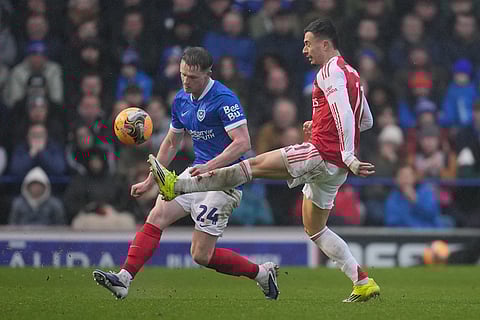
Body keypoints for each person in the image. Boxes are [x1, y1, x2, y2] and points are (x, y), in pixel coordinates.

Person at [151, 19, 380, 302]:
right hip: (336, 169)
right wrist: (322, 125)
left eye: (308, 43)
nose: (304, 49)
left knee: (251, 167)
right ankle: (362, 281)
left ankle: (179, 186)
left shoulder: (329, 70)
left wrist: (348, 154)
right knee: (316, 228)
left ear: (325, 43)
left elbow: (345, 111)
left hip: (322, 155)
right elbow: (365, 120)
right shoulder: (352, 73)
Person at [93, 47, 279, 300]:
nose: (186, 81)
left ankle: (260, 273)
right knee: (156, 215)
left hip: (224, 180)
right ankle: (124, 278)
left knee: (201, 255)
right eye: (183, 75)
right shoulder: (181, 99)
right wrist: (151, 179)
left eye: (192, 77)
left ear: (207, 74)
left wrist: (211, 166)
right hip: (196, 173)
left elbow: (243, 142)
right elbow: (171, 142)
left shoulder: (224, 99)